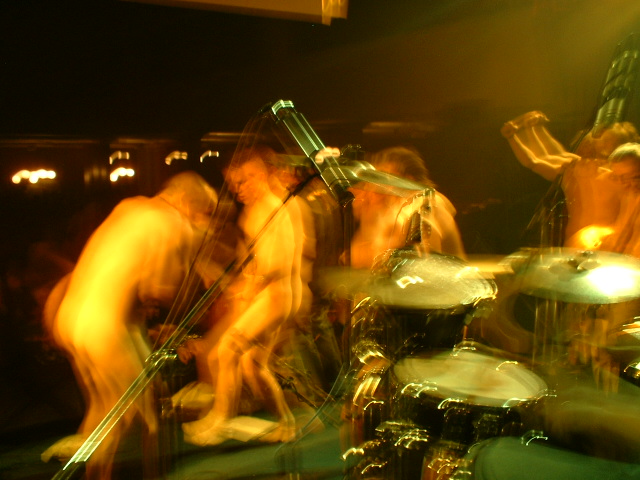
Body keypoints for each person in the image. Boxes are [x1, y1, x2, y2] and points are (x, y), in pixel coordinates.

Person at [41, 171, 217, 480]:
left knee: (104, 409)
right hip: (103, 325)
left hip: (71, 318)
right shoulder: (172, 222)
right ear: (186, 201)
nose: (204, 219)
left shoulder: (130, 206)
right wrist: (192, 253)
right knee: (141, 417)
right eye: (204, 212)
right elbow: (158, 290)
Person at [181, 146, 301, 446]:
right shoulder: (253, 211)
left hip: (276, 294)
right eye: (234, 183)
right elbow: (251, 259)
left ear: (261, 175)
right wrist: (241, 281)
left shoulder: (275, 208)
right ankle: (286, 423)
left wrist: (251, 282)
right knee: (253, 366)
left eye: (244, 181)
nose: (238, 189)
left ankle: (220, 420)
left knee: (228, 350)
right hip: (265, 294)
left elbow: (280, 262)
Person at [501, 111, 639, 249]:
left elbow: (540, 160)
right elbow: (543, 158)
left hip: (601, 246)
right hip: (580, 243)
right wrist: (529, 130)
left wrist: (525, 132)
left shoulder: (619, 178)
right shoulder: (581, 169)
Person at [350, 146, 466, 269]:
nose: (377, 184)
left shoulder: (427, 201)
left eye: (385, 176)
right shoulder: (390, 211)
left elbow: (422, 259)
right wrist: (367, 217)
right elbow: (358, 257)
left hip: (442, 279)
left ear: (408, 180)